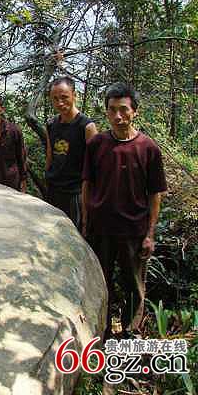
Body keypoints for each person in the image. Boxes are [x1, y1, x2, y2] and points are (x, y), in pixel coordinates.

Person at [82, 82, 167, 337]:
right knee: (100, 284)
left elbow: (155, 194)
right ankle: (102, 333)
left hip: (134, 231)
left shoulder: (148, 148)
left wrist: (150, 234)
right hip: (101, 229)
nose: (117, 116)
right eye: (112, 110)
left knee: (134, 287)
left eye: (123, 110)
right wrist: (85, 223)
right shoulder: (97, 144)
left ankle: (130, 334)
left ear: (134, 111)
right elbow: (87, 184)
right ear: (106, 112)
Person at [45, 77, 97, 228]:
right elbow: (50, 156)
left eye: (64, 97)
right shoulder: (51, 125)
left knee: (74, 234)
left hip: (75, 193)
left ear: (74, 95)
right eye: (55, 99)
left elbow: (95, 166)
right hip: (54, 189)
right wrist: (47, 178)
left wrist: (88, 201)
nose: (60, 103)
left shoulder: (87, 127)